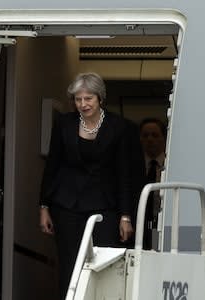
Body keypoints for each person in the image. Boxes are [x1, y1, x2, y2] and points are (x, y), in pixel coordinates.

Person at [39, 72, 134, 300]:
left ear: (100, 98)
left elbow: (125, 173)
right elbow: (53, 165)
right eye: (78, 99)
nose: (83, 104)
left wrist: (126, 215)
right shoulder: (64, 123)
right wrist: (43, 206)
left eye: (88, 98)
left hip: (106, 206)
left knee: (104, 263)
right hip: (67, 205)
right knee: (70, 263)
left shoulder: (119, 127)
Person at [139, 118, 167, 249]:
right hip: (140, 225)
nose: (150, 139)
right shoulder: (134, 165)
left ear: (164, 138)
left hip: (164, 222)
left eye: (155, 135)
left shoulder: (171, 164)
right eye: (145, 136)